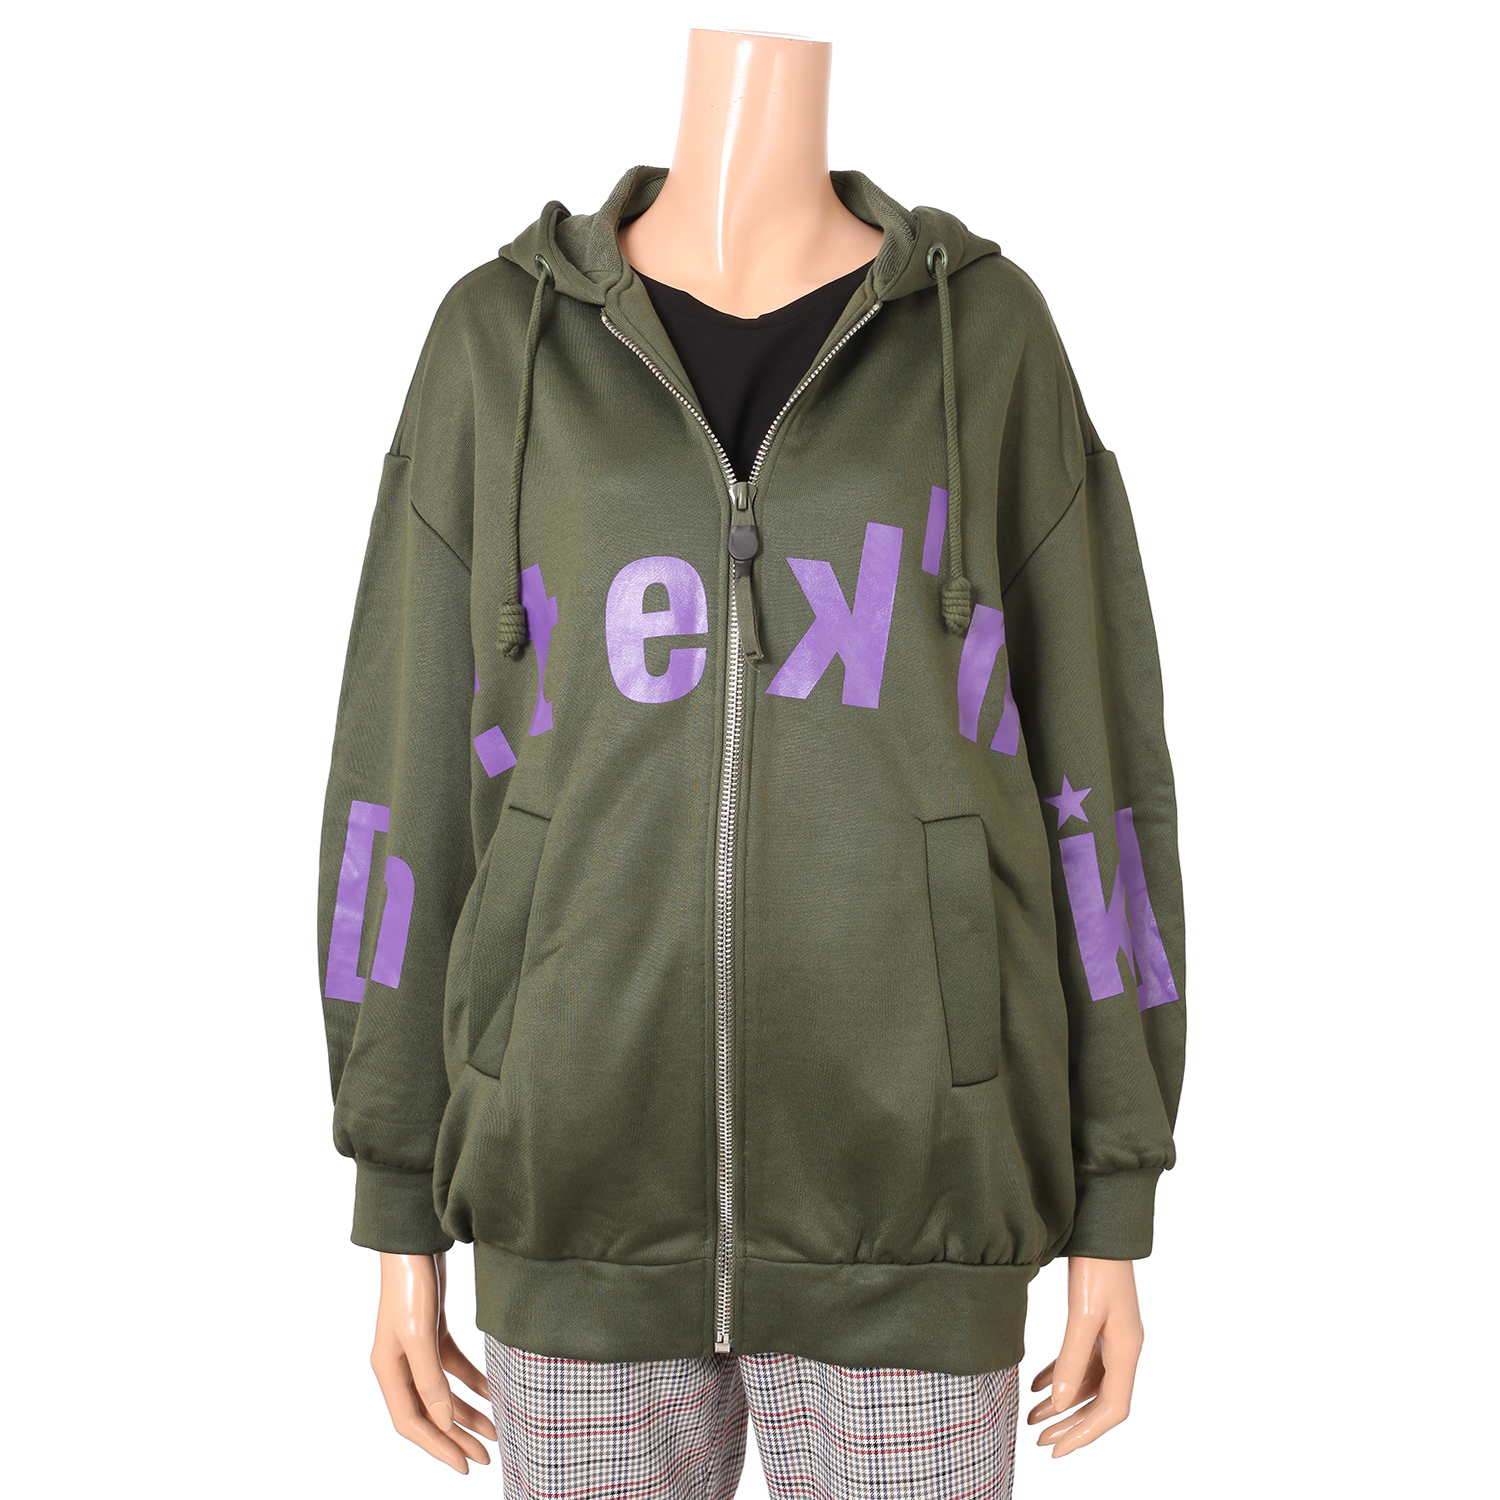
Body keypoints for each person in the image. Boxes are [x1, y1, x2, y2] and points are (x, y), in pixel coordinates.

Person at [317, 29, 1186, 1496]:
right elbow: (396, 780)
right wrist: (395, 1191)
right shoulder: (493, 343)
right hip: (572, 1202)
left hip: (919, 1210)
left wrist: (1115, 1190)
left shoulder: (988, 341)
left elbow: (1099, 780)